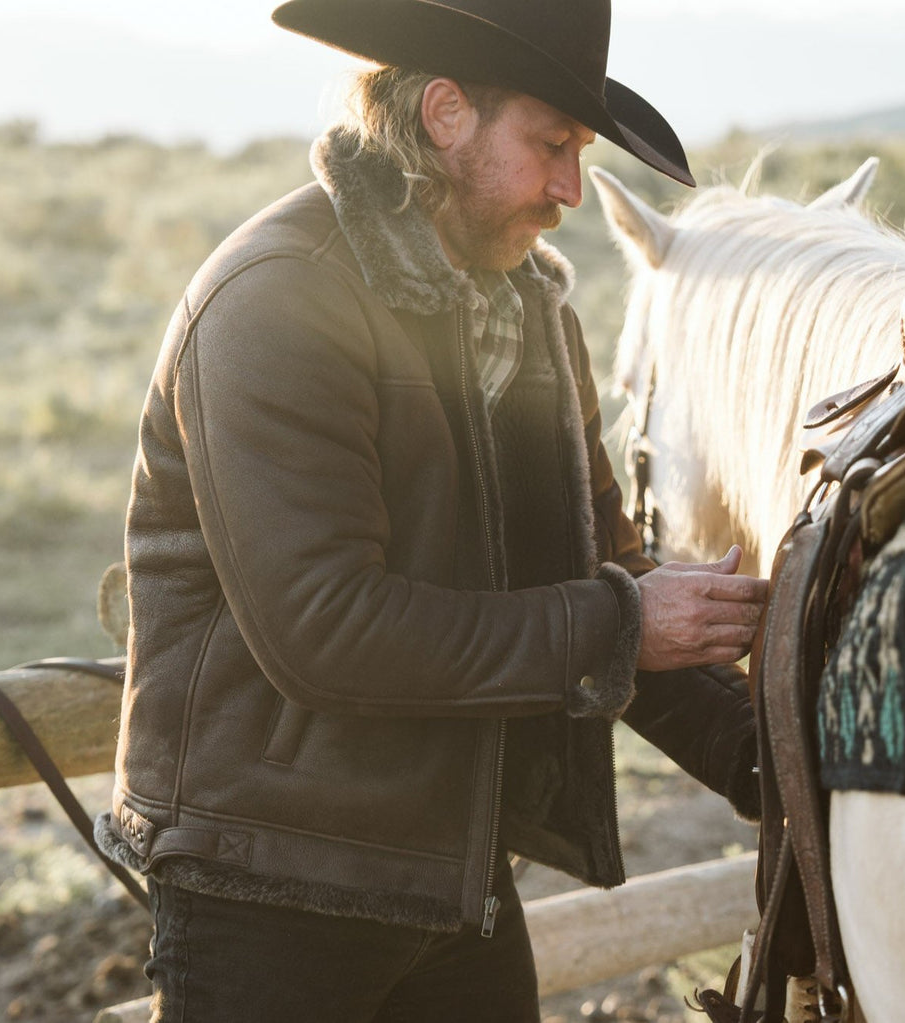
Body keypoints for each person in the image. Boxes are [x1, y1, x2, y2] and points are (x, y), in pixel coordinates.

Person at [95, 1, 768, 1019]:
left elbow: (606, 586)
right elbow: (328, 632)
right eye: (550, 146)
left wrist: (780, 766)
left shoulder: (528, 310)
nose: (569, 191)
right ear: (447, 113)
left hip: (451, 879)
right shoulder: (278, 300)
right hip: (268, 890)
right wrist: (628, 620)